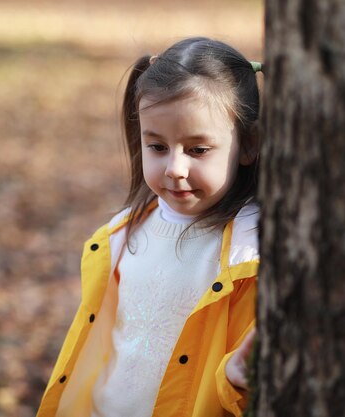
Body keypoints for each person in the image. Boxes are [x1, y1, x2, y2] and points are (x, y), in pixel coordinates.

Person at [36, 37, 261, 417]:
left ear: (248, 145)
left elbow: (239, 381)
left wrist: (240, 378)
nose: (175, 168)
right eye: (157, 146)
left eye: (198, 150)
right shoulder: (120, 237)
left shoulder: (250, 258)